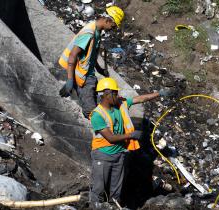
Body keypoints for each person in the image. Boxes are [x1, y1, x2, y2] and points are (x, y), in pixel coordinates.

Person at [89, 77, 173, 209]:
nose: (118, 95)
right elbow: (110, 138)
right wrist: (131, 135)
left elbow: (140, 99)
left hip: (120, 154)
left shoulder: (120, 104)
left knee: (116, 191)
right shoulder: (97, 115)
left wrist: (159, 93)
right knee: (98, 189)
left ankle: (114, 206)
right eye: (115, 93)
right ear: (106, 94)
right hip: (103, 155)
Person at [58, 6, 125, 118]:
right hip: (83, 77)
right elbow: (72, 55)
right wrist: (70, 81)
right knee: (91, 112)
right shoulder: (89, 33)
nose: (112, 29)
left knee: (101, 98)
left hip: (89, 73)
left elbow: (91, 56)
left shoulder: (97, 32)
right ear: (108, 20)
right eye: (112, 26)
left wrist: (100, 70)